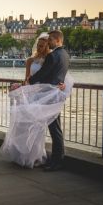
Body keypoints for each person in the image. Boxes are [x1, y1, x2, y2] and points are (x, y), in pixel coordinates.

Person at [28, 30, 70, 171]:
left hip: (49, 96)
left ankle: (56, 161)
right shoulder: (65, 55)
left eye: (51, 39)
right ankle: (56, 158)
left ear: (57, 40)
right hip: (56, 95)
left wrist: (30, 80)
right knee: (55, 128)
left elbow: (43, 74)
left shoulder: (53, 55)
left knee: (53, 129)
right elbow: (61, 75)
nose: (49, 42)